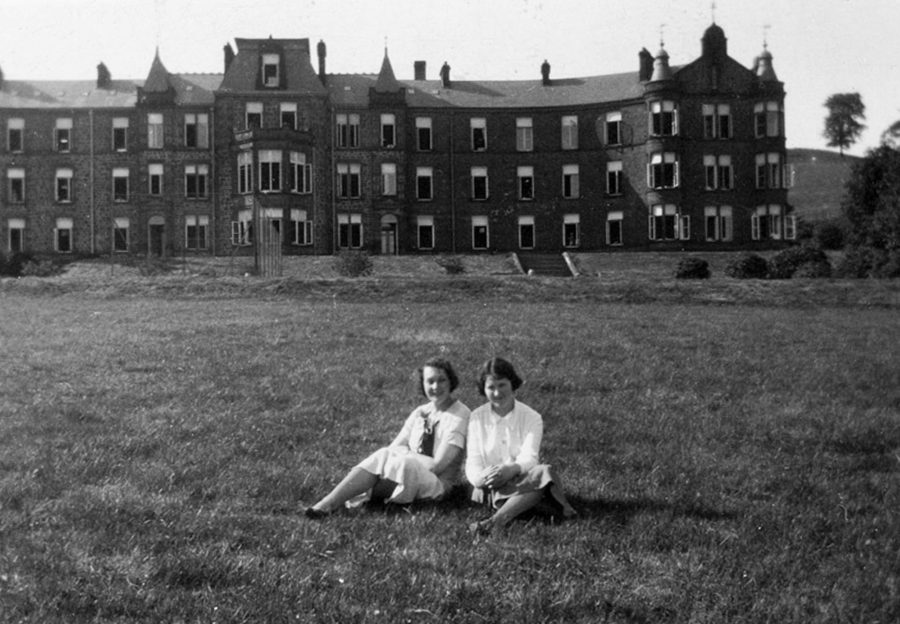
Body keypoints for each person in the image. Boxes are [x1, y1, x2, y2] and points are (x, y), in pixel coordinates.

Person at [304, 357, 470, 518]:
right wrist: (401, 454)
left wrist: (405, 454)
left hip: (437, 486)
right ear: (423, 384)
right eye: (430, 381)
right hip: (408, 472)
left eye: (442, 380)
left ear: (451, 382)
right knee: (386, 456)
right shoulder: (420, 412)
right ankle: (329, 503)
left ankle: (344, 499)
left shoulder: (460, 414)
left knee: (396, 460)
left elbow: (437, 465)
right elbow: (394, 448)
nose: (436, 386)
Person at [465, 357, 576, 534]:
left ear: (512, 384)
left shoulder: (532, 417)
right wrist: (482, 478)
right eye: (491, 387)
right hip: (489, 485)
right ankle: (531, 504)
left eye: (502, 385)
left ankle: (495, 521)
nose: (496, 393)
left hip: (519, 477)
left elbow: (530, 457)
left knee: (543, 471)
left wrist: (511, 469)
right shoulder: (476, 417)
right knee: (541, 486)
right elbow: (473, 460)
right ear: (483, 389)